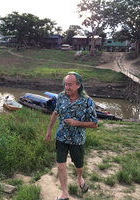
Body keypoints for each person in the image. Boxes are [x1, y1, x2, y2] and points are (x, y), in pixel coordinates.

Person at [46, 72, 98, 200]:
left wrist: (76, 123)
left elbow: (95, 124)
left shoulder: (87, 102)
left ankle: (80, 178)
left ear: (78, 85)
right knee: (60, 165)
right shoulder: (61, 97)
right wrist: (49, 130)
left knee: (79, 166)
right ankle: (65, 194)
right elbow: (55, 112)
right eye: (65, 84)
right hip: (61, 138)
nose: (67, 87)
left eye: (70, 85)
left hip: (77, 140)